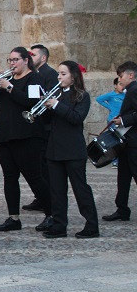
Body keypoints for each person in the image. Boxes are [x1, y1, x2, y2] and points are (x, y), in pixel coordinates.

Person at [0, 47, 52, 232]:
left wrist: (9, 87)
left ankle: (52, 213)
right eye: (9, 60)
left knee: (34, 177)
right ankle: (13, 218)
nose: (12, 63)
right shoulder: (8, 80)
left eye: (15, 60)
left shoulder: (34, 78)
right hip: (6, 135)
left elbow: (31, 102)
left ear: (26, 60)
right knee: (9, 177)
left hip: (27, 136)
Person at [40, 61, 99, 238]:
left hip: (73, 150)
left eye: (63, 74)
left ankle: (92, 226)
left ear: (73, 77)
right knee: (57, 190)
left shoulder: (82, 96)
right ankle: (59, 225)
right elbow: (46, 123)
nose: (59, 77)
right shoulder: (55, 94)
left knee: (80, 189)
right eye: (58, 73)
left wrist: (56, 105)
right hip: (55, 149)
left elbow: (76, 118)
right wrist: (44, 107)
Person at [22, 44, 58, 212]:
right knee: (39, 166)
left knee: (44, 166)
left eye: (33, 55)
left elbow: (49, 96)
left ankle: (49, 200)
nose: (30, 58)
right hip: (36, 125)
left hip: (46, 125)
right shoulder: (33, 74)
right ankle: (41, 198)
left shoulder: (49, 74)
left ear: (43, 58)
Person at [104, 61, 137, 222]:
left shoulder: (134, 89)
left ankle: (122, 208)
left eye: (121, 76)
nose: (120, 79)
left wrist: (122, 120)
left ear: (131, 75)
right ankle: (122, 209)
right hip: (127, 141)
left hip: (133, 142)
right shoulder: (130, 90)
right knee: (123, 177)